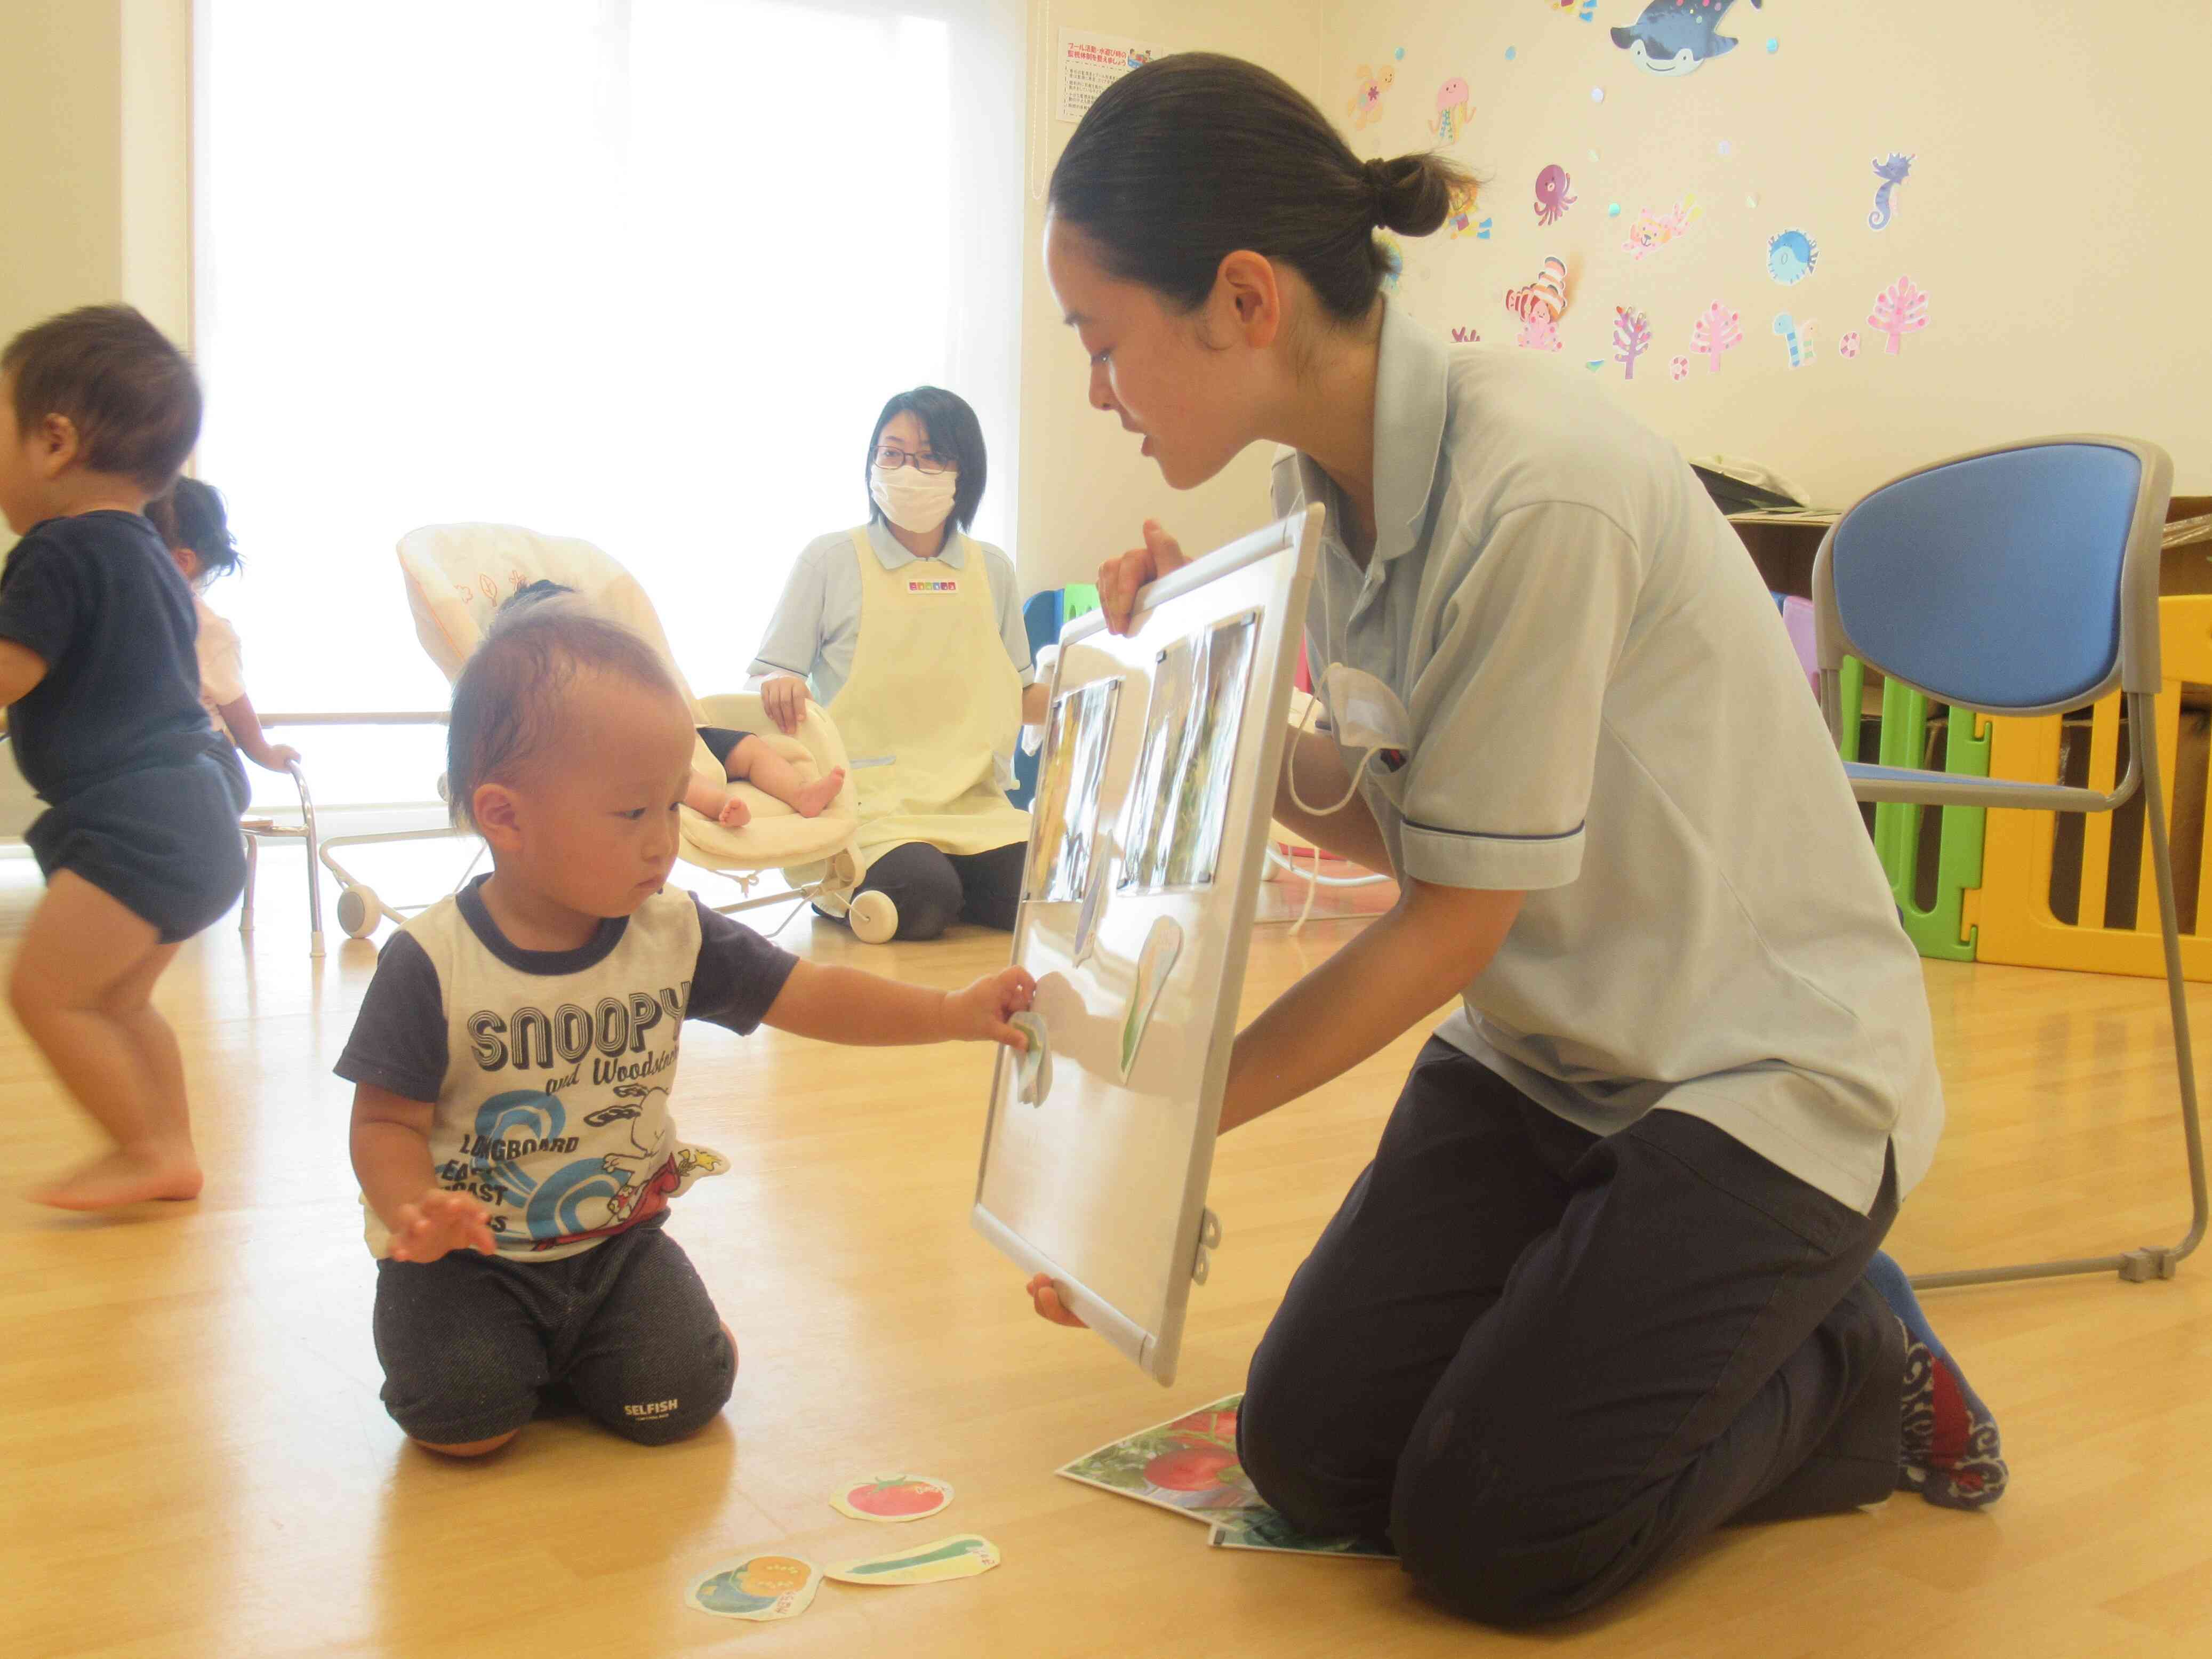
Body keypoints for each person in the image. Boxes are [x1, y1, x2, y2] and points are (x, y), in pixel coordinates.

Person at [1023, 54, 2006, 1626]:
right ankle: (1628, 1294)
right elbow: (1384, 801)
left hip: (1753, 1071)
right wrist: (1184, 703)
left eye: (1099, 340)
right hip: (1552, 1055)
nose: (1094, 388)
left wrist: (1166, 1114)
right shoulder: (1322, 493)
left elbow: (1446, 921)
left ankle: (1852, 1365)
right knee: (1311, 1454)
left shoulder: (1531, 487)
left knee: (1494, 1537)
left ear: (1240, 297)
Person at [339, 600, 1034, 1456]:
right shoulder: (432, 961)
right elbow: (383, 1121)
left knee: (680, 1401)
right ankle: (511, 1361)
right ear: (506, 817)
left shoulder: (672, 930)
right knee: (462, 1427)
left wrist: (949, 1012)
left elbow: (813, 994)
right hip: (467, 1264)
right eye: (633, 814)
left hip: (614, 1247)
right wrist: (415, 1208)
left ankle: (615, 1345)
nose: (664, 842)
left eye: (673, 806)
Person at [0, 304, 248, 1212]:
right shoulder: (147, 553)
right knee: (115, 1002)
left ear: (54, 440)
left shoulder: (56, 551)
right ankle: (170, 1152)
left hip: (138, 824)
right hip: (200, 818)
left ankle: (144, 1146)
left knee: (45, 994)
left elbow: (12, 672)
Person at [749, 387, 1043, 942]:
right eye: (892, 453)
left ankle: (955, 876)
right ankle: (880, 884)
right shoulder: (829, 560)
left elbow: (1022, 694)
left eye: (930, 456)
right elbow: (766, 674)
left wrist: (1097, 687)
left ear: (964, 471)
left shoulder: (992, 571)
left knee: (1042, 890)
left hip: (972, 802)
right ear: (871, 463)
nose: (908, 469)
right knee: (923, 899)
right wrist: (779, 683)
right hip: (867, 804)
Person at [144, 476, 303, 779]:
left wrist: (264, 753)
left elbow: (234, 704)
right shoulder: (129, 610)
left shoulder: (203, 627)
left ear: (181, 562)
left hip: (207, 753)